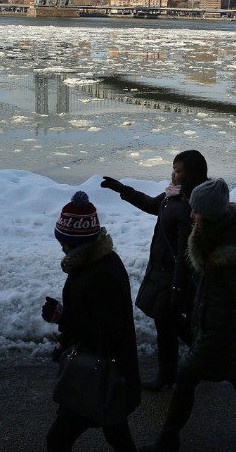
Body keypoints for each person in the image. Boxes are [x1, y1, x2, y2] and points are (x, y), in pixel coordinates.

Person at [140, 178, 236, 451]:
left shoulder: (229, 256)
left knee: (187, 377)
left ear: (210, 214)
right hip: (216, 325)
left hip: (221, 333)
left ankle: (168, 440)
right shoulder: (213, 236)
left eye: (196, 211)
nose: (191, 215)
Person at [100, 150, 208, 391]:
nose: (173, 174)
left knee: (167, 326)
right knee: (170, 324)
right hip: (161, 272)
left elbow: (184, 256)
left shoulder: (187, 208)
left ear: (191, 175)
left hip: (171, 277)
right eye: (173, 168)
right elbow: (151, 204)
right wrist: (123, 189)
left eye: (178, 171)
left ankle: (171, 373)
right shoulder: (173, 196)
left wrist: (177, 289)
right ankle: (201, 359)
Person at [42, 191, 142, 452]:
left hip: (98, 375)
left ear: (77, 242)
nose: (61, 246)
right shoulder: (91, 263)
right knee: (116, 433)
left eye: (64, 241)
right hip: (107, 373)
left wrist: (63, 318)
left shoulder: (100, 275)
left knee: (58, 439)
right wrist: (65, 337)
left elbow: (104, 335)